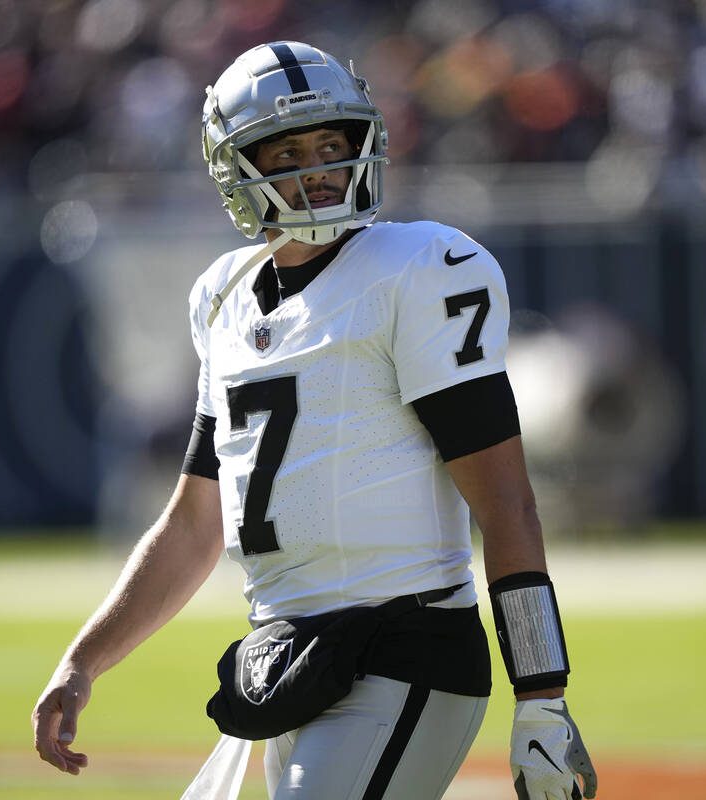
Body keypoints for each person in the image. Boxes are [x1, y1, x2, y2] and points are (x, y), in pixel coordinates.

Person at [32, 41, 597, 800]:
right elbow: (194, 523)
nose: (318, 166)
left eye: (331, 143)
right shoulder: (224, 295)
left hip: (406, 644)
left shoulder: (419, 269)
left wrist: (543, 695)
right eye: (289, 149)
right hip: (287, 654)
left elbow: (506, 503)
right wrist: (83, 661)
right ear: (237, 167)